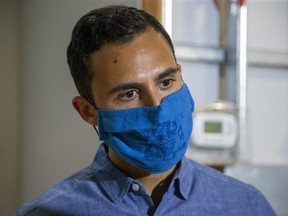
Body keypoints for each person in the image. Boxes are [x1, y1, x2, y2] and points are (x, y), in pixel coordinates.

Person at [16, 5, 276, 216]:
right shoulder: (50, 212)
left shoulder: (246, 205)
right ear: (87, 111)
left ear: (180, 76)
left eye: (165, 82)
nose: (157, 107)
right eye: (129, 93)